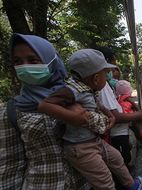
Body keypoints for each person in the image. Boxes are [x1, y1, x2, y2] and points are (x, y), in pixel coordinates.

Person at [37, 49, 142, 190]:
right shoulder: (72, 90)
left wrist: (109, 114)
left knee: (116, 158)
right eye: (105, 73)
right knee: (104, 180)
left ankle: (132, 185)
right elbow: (44, 105)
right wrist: (75, 118)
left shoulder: (88, 89)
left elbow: (98, 104)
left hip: (94, 140)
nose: (108, 77)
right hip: (80, 147)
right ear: (95, 78)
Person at [0, 33, 88, 190]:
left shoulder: (77, 94)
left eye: (33, 60)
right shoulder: (13, 109)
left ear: (51, 61)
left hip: (87, 182)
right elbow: (10, 166)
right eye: (17, 62)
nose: (25, 67)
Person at [97, 47, 142, 166]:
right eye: (113, 64)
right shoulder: (102, 87)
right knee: (123, 159)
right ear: (106, 62)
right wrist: (138, 114)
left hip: (119, 131)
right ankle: (125, 182)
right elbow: (115, 116)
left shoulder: (105, 85)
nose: (114, 69)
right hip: (116, 134)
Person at [115, 80, 142, 146]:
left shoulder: (119, 97)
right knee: (138, 126)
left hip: (124, 115)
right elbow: (134, 105)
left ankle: (140, 139)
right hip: (127, 115)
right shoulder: (127, 97)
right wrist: (139, 111)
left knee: (135, 128)